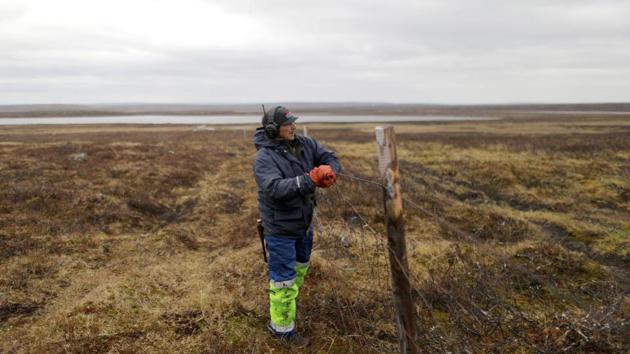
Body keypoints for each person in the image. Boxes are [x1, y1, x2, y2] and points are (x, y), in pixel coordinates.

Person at [253, 106, 341, 347]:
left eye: (294, 122)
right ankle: (281, 331)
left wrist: (329, 171)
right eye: (287, 124)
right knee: (283, 280)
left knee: (300, 269)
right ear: (272, 129)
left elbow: (330, 156)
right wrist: (309, 179)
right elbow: (275, 189)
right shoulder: (264, 158)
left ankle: (288, 305)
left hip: (304, 225)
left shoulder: (305, 144)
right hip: (280, 230)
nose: (293, 126)